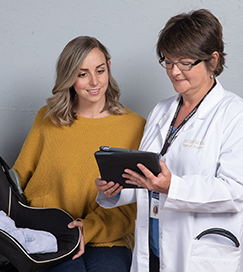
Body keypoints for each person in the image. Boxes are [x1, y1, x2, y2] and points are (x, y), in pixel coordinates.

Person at [95, 9, 243, 272]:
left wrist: (173, 186)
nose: (175, 71)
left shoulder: (234, 114)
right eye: (168, 61)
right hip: (152, 250)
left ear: (213, 59)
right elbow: (148, 178)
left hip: (197, 254)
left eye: (185, 62)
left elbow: (235, 192)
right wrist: (116, 188)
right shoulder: (161, 111)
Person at [12, 35, 146, 272]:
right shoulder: (47, 118)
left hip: (108, 236)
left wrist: (88, 228)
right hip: (50, 234)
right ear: (69, 76)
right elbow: (18, 177)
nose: (94, 82)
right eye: (82, 74)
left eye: (100, 70)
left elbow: (135, 203)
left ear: (109, 68)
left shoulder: (135, 126)